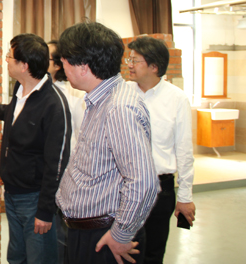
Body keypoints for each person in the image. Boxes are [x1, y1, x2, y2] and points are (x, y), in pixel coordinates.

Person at [55, 22, 158, 264]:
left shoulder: (119, 108)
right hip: (87, 232)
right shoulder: (101, 100)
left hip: (103, 237)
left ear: (83, 66)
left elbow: (143, 181)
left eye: (65, 61)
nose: (62, 67)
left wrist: (121, 235)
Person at [0, 33, 72, 264]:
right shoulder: (20, 90)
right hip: (12, 194)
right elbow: (16, 115)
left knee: (39, 258)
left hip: (35, 199)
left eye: (9, 56)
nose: (6, 60)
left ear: (24, 65)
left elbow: (56, 163)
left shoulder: (53, 104)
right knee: (17, 257)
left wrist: (45, 210)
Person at [126, 36, 195, 264]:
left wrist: (185, 197)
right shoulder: (122, 93)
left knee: (153, 254)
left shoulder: (176, 99)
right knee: (125, 252)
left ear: (154, 67)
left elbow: (184, 150)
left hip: (160, 190)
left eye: (135, 60)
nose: (129, 65)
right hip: (125, 187)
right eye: (129, 59)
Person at [48, 39, 86, 263]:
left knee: (63, 236)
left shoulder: (72, 95)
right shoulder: (42, 90)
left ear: (57, 65)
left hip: (67, 174)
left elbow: (78, 139)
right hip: (49, 173)